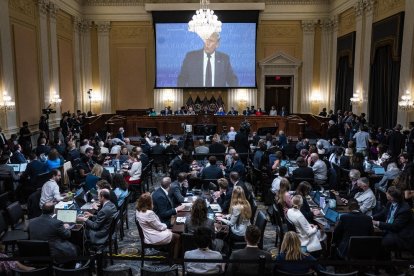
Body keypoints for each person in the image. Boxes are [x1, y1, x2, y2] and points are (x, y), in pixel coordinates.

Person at [135, 193, 180, 259]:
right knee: (178, 236)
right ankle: (174, 259)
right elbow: (159, 227)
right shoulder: (149, 213)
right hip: (154, 236)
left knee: (173, 232)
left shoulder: (138, 211)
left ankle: (171, 253)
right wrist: (167, 225)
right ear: (149, 202)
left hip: (149, 233)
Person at [372, 186, 414, 253]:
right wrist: (371, 217)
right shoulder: (390, 203)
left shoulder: (405, 209)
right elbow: (383, 213)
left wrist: (377, 223)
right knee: (373, 237)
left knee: (383, 242)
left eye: (387, 194)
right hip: (391, 230)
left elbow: (395, 227)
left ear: (392, 197)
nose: (386, 194)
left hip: (401, 235)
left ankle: (386, 261)